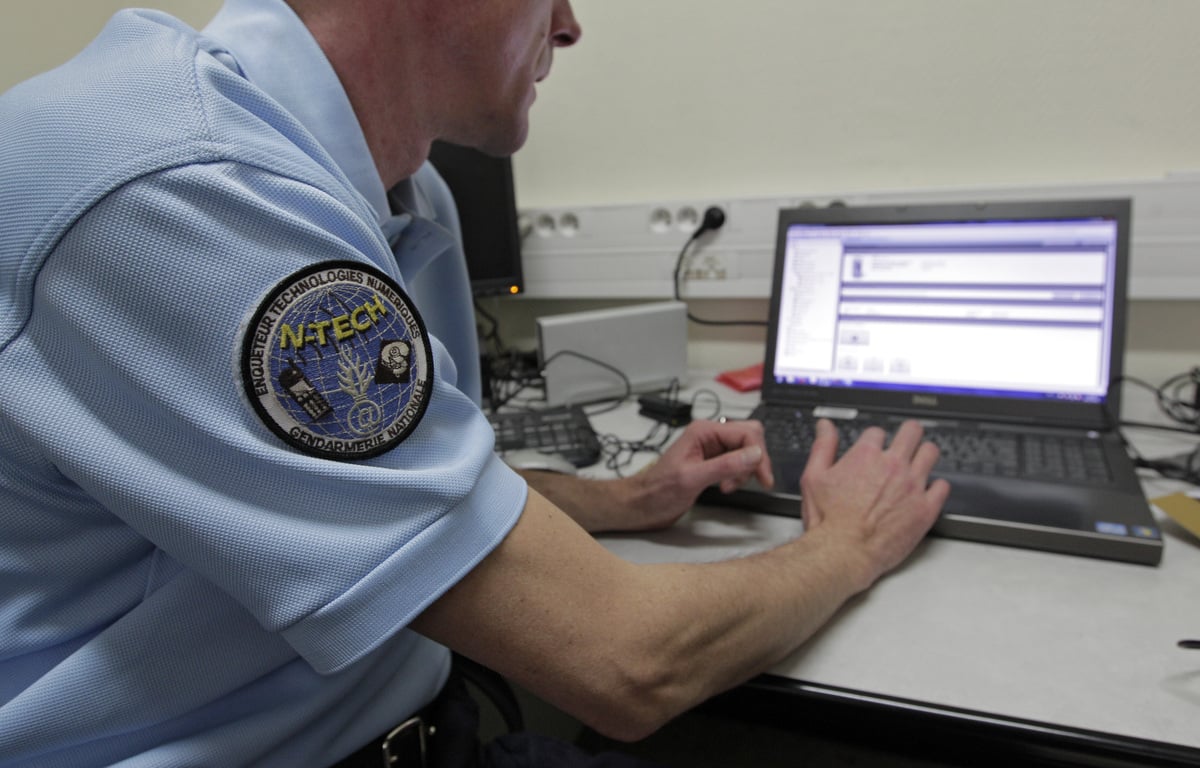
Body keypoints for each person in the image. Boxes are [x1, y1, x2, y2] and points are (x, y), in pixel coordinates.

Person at [0, 0, 950, 766]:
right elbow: (627, 663)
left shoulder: (403, 193)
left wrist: (625, 498)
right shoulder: (183, 185)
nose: (571, 24)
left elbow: (409, 504)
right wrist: (850, 544)